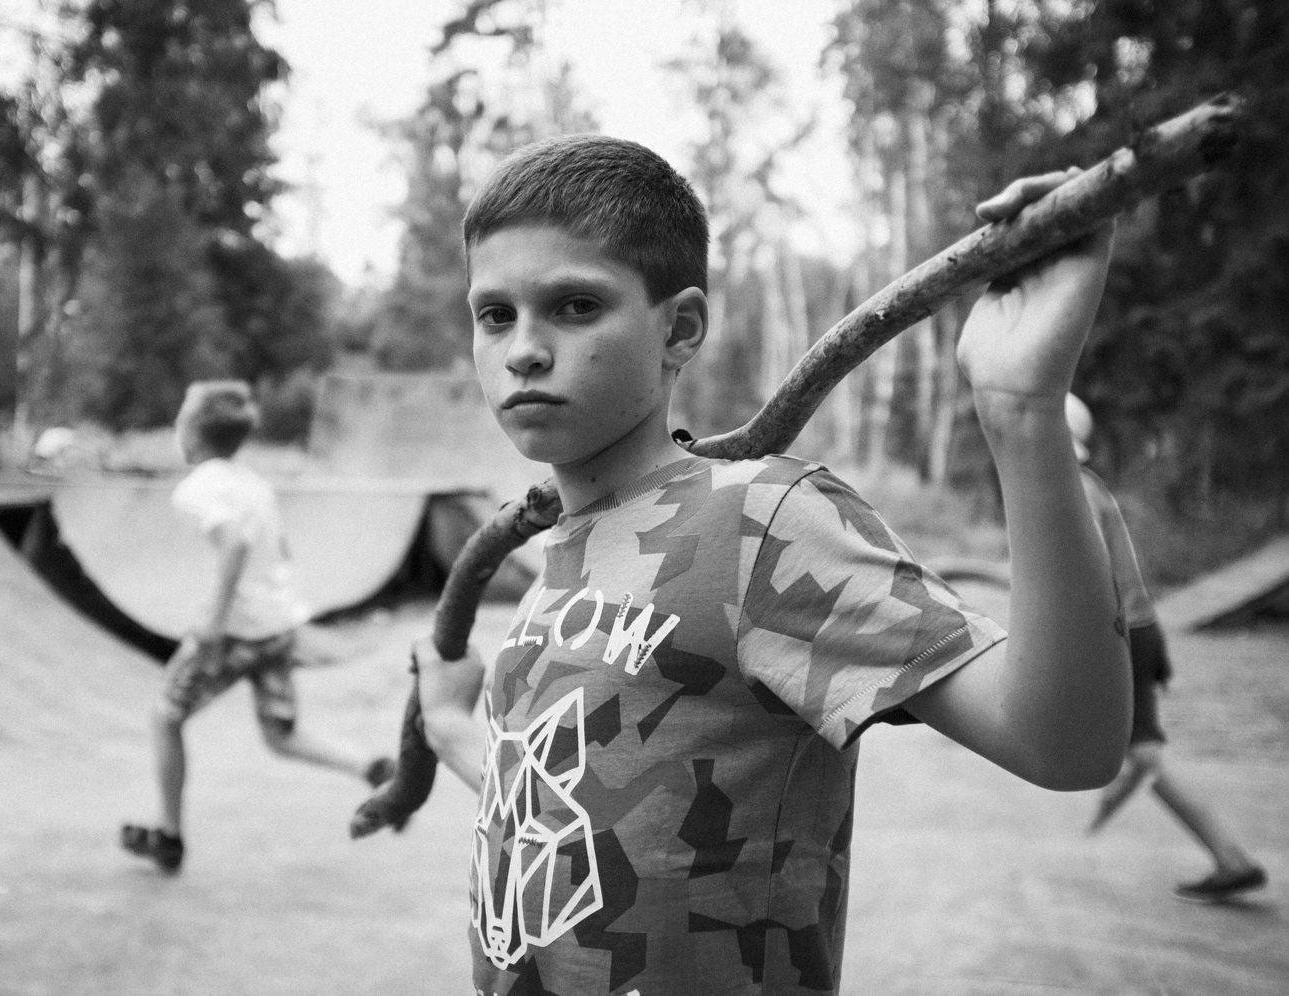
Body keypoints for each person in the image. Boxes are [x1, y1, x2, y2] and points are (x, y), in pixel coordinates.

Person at [413, 133, 1134, 995]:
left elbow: (1065, 742)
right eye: (495, 315)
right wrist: (454, 727)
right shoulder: (562, 550)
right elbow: (566, 814)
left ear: (680, 328)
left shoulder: (761, 522)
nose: (523, 349)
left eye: (574, 306)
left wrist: (1021, 411)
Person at [121, 380, 392, 873]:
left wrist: (213, 619)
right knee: (281, 734)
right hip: (277, 628)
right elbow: (279, 550)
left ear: (192, 432)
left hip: (234, 634)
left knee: (165, 716)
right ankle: (370, 767)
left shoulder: (196, 488)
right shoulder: (254, 484)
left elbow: (235, 543)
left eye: (180, 419)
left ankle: (169, 835)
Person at [1069, 394, 1267, 903]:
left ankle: (1232, 859)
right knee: (1143, 755)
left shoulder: (1076, 491)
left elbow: (1091, 577)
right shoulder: (1085, 485)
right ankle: (1229, 858)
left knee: (1145, 756)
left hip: (1127, 632)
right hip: (1137, 628)